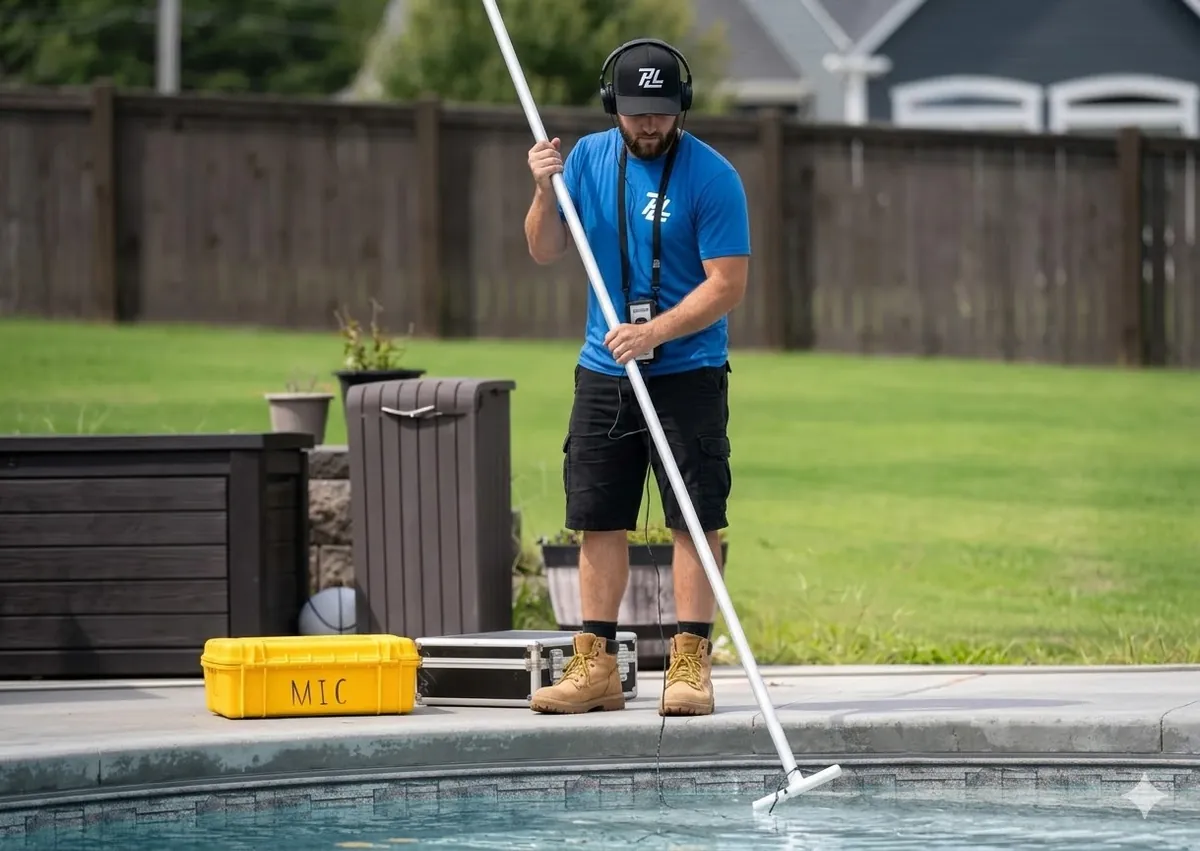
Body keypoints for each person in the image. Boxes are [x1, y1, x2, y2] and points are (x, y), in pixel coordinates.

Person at [521, 37, 751, 717]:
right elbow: (543, 248)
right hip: (603, 368)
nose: (648, 125)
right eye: (634, 112)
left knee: (694, 517)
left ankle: (689, 663)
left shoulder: (712, 177)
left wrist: (654, 332)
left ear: (680, 107)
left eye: (659, 112)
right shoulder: (586, 160)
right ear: (611, 106)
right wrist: (542, 190)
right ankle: (594, 664)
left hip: (687, 369)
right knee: (597, 516)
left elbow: (729, 285)